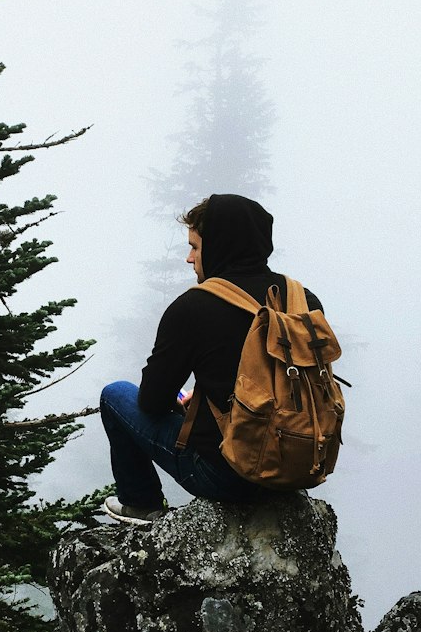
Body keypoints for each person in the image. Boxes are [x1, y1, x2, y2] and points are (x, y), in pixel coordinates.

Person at [100, 193, 323, 525]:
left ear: (218, 246)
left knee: (115, 394)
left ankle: (140, 504)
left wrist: (185, 404)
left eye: (195, 247)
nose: (189, 258)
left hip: (227, 478)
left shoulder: (193, 307)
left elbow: (151, 402)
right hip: (298, 469)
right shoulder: (302, 299)